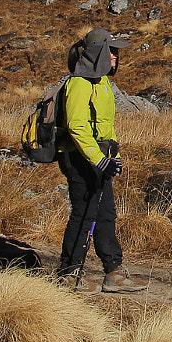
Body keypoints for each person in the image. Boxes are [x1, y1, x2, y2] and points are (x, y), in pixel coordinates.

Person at [56, 27, 146, 292]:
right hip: (79, 158)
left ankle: (113, 272)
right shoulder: (79, 83)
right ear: (98, 53)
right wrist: (97, 159)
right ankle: (68, 274)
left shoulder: (103, 82)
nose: (117, 56)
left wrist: (113, 156)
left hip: (100, 158)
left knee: (106, 214)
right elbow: (77, 126)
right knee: (83, 214)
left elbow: (106, 126)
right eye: (112, 51)